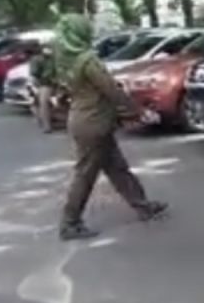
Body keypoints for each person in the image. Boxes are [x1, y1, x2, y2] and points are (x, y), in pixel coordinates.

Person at [55, 14, 168, 241]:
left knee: (117, 167)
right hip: (94, 122)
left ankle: (143, 205)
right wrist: (139, 112)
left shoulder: (65, 60)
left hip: (85, 119)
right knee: (86, 174)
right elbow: (111, 90)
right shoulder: (87, 60)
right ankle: (70, 222)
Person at [28, 43, 60, 133]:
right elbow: (34, 74)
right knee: (43, 103)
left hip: (56, 83)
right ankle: (47, 126)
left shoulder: (54, 59)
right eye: (47, 48)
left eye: (50, 48)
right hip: (44, 84)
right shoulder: (37, 59)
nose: (50, 50)